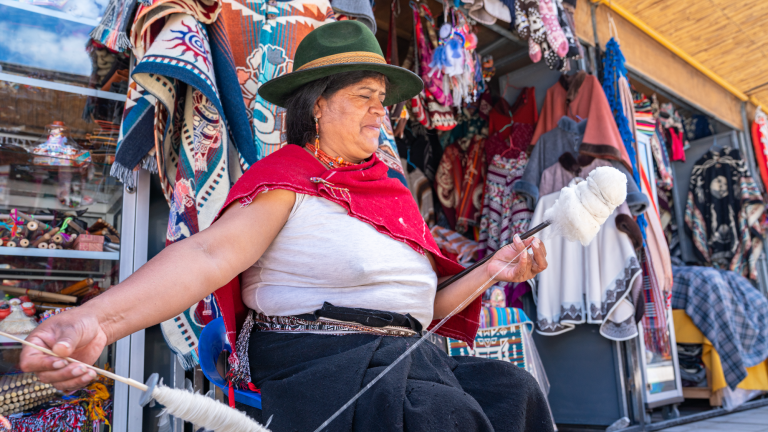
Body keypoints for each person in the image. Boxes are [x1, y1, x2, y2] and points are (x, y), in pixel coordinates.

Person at [20, 21, 552, 432]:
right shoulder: (286, 179)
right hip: (321, 366)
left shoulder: (391, 191)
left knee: (514, 391)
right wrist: (99, 322)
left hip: (409, 359)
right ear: (317, 106)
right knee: (439, 414)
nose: (380, 112)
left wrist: (491, 272)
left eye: (383, 101)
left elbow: (416, 310)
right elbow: (209, 255)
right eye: (363, 97)